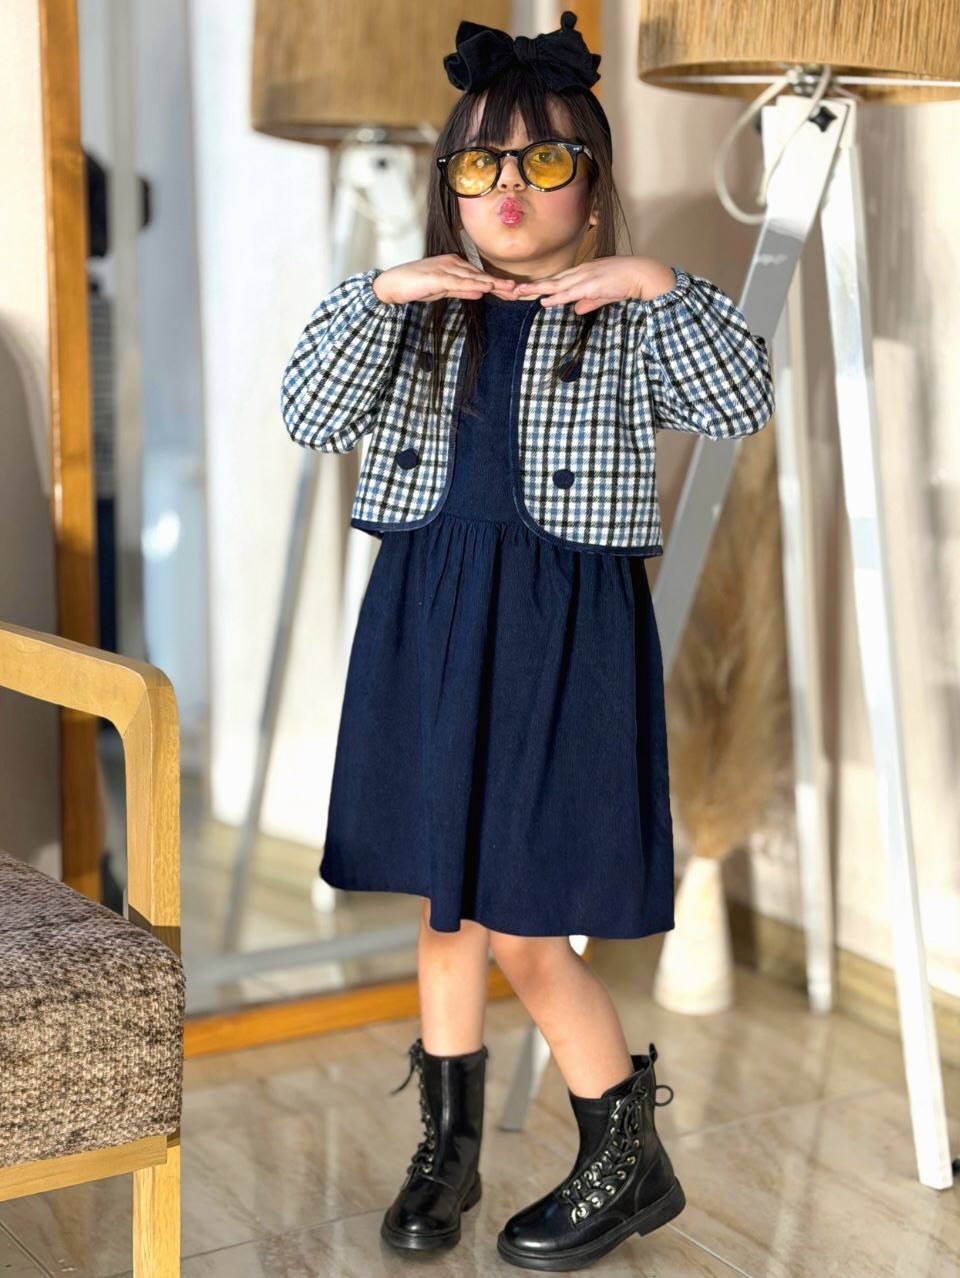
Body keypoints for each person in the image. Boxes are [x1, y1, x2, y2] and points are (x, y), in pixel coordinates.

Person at [280, 11, 775, 1271]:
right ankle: (446, 1151)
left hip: (564, 640)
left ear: (592, 192)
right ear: (449, 189)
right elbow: (308, 411)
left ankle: (626, 1155)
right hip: (430, 623)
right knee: (447, 914)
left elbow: (740, 398)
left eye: (545, 161)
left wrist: (658, 283)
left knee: (522, 926)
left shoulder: (627, 317)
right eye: (480, 163)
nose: (509, 186)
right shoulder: (413, 314)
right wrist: (379, 290)